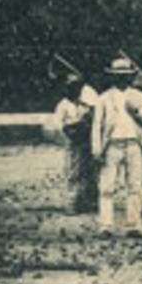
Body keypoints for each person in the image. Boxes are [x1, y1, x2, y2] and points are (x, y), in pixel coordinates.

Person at [92, 55, 142, 231]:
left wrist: (136, 114)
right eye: (118, 75)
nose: (122, 78)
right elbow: (97, 125)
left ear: (131, 76)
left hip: (134, 143)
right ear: (112, 77)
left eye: (126, 74)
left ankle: (133, 225)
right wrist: (96, 150)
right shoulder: (104, 98)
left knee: (135, 185)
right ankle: (106, 225)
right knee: (107, 186)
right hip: (111, 144)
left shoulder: (138, 96)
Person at [52, 73, 98, 215]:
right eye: (72, 87)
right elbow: (57, 126)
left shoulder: (86, 104)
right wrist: (73, 126)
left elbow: (93, 119)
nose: (75, 89)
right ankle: (71, 203)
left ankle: (88, 201)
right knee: (73, 173)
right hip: (73, 142)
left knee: (90, 172)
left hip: (87, 141)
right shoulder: (63, 105)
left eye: (78, 86)